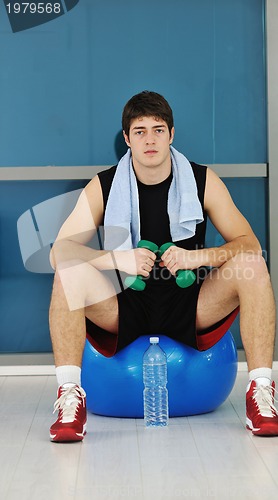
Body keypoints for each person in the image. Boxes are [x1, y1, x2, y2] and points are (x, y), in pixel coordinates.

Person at [49, 90, 278, 443]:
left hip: (191, 300)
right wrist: (117, 259)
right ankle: (69, 398)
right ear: (126, 139)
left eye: (158, 129)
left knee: (253, 265)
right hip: (124, 302)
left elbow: (249, 244)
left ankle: (261, 393)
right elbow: (59, 252)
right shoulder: (104, 185)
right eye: (139, 131)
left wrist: (196, 257)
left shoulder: (203, 180)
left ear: (172, 134)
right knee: (68, 272)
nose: (150, 139)